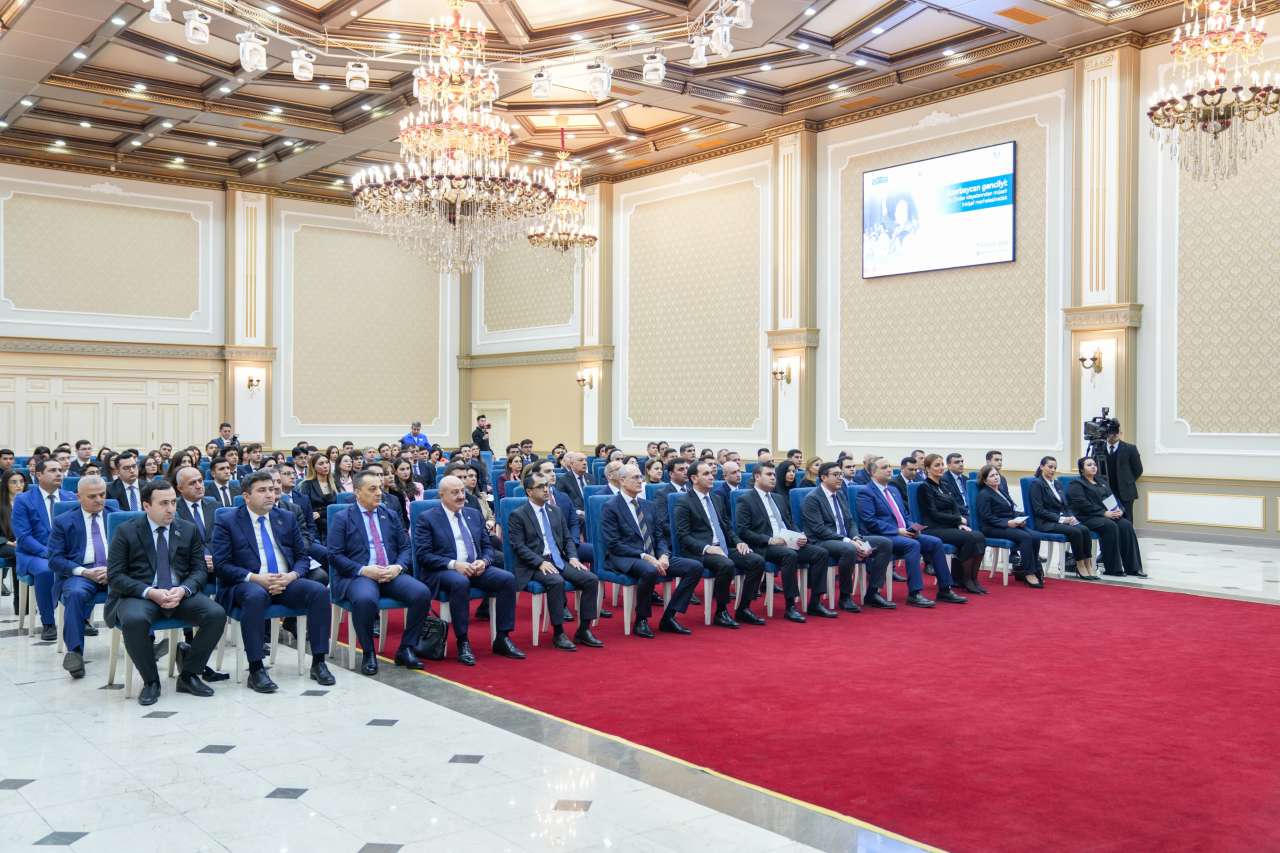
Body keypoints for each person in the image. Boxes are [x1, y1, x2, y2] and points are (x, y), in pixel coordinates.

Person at [209, 471, 335, 692]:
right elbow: (221, 565)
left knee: (319, 592)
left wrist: (291, 576)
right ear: (246, 496)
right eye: (262, 490)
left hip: (285, 581)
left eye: (272, 489)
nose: (270, 495)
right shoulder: (227, 521)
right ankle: (256, 668)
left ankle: (319, 662)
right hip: (245, 584)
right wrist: (256, 578)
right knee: (256, 596)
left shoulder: (285, 517)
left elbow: (302, 557)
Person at [106, 480, 227, 706]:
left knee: (216, 614)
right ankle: (151, 681)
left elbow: (199, 569)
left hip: (178, 593)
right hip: (141, 594)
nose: (171, 509)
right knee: (134, 620)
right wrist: (150, 592)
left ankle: (189, 674)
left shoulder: (187, 529)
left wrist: (183, 589)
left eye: (173, 502)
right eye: (163, 503)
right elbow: (116, 576)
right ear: (146, 506)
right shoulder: (126, 531)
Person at [327, 469, 431, 675]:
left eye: (380, 488)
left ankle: (406, 648)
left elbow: (405, 547)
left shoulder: (389, 515)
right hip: (359, 574)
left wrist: (398, 567)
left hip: (390, 572)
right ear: (357, 492)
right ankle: (368, 652)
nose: (379, 493)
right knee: (365, 600)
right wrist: (363, 570)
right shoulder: (342, 518)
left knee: (421, 593)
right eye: (372, 489)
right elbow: (334, 555)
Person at [414, 475, 523, 666]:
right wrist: (454, 564)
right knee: (460, 582)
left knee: (507, 579)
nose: (461, 496)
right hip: (443, 570)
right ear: (442, 495)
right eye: (454, 492)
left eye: (462, 491)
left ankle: (502, 637)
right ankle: (463, 641)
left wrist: (484, 561)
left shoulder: (473, 514)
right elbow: (423, 556)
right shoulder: (428, 518)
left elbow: (487, 546)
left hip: (475, 567)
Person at [600, 464, 703, 637]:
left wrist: (663, 555)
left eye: (640, 477)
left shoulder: (648, 505)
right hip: (626, 556)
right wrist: (645, 556)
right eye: (635, 477)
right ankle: (641, 619)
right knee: (649, 570)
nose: (640, 481)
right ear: (622, 481)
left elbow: (659, 536)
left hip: (654, 556)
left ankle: (669, 617)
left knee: (695, 567)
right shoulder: (611, 506)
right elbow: (613, 544)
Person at [506, 471, 602, 650]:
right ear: (529, 491)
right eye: (541, 487)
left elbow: (567, 539)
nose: (546, 489)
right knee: (556, 581)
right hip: (534, 564)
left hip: (558, 559)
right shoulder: (518, 515)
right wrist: (539, 562)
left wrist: (573, 557)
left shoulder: (555, 511)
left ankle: (584, 630)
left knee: (591, 579)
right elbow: (518, 546)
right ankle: (559, 633)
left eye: (547, 486)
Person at [856, 457, 967, 607]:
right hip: (882, 535)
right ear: (873, 472)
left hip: (903, 533)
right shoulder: (866, 492)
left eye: (889, 466)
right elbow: (869, 521)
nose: (889, 470)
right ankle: (914, 593)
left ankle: (945, 589)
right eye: (884, 467)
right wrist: (897, 531)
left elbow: (905, 515)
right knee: (912, 545)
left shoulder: (893, 490)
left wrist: (913, 528)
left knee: (935, 542)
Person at [735, 461, 832, 622]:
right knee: (789, 555)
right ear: (757, 476)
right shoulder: (745, 499)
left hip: (787, 542)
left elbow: (789, 523)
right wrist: (770, 540)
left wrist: (799, 535)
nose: (773, 478)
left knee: (820, 553)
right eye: (769, 474)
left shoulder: (778, 498)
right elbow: (743, 531)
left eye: (774, 474)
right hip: (765, 545)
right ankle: (790, 606)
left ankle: (815, 603)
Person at [675, 460, 766, 628]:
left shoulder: (716, 499)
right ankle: (721, 612)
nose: (712, 477)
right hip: (700, 551)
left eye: (712, 473)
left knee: (757, 561)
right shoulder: (684, 501)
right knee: (726, 564)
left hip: (723, 547)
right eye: (706, 474)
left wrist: (739, 542)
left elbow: (727, 528)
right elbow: (683, 536)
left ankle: (744, 608)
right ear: (694, 478)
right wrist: (707, 548)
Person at [801, 461, 894, 614]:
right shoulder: (812, 498)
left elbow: (850, 522)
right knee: (849, 549)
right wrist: (848, 541)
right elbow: (819, 530)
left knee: (884, 543)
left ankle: (873, 593)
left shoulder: (840, 494)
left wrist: (856, 537)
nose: (840, 478)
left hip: (846, 539)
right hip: (822, 541)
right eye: (835, 475)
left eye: (840, 475)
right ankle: (845, 596)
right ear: (823, 477)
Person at [47, 476, 114, 679]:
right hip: (82, 572)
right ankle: (75, 653)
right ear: (78, 497)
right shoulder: (63, 521)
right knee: (75, 594)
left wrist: (113, 570)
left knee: (137, 588)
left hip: (114, 571)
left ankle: (147, 643)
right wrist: (84, 572)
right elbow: (55, 559)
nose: (99, 500)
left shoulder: (116, 516)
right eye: (92, 496)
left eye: (102, 495)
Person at [173, 466, 232, 681]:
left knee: (240, 582)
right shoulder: (173, 508)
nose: (199, 486)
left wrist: (215, 559)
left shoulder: (214, 506)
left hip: (217, 564)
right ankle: (190, 642)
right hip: (189, 569)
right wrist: (201, 560)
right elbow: (175, 545)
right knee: (194, 590)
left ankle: (254, 635)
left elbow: (223, 538)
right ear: (180, 488)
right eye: (192, 483)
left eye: (200, 480)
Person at [12, 458, 77, 640]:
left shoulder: (70, 497)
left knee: (88, 566)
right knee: (46, 570)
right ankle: (48, 623)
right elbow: (24, 537)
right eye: (53, 470)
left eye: (60, 470)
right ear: (39, 475)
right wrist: (49, 553)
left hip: (65, 552)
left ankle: (82, 618)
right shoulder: (24, 500)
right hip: (33, 553)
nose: (59, 473)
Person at [917, 453, 988, 595]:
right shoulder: (924, 487)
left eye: (941, 464)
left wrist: (958, 523)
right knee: (970, 538)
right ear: (927, 469)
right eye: (937, 465)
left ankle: (973, 578)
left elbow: (954, 506)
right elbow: (933, 514)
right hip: (933, 528)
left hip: (949, 526)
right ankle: (964, 579)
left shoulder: (943, 484)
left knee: (980, 536)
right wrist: (957, 520)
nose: (941, 468)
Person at [1069, 457, 1145, 578]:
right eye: (1089, 465)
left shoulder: (1102, 481)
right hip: (1087, 517)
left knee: (1126, 525)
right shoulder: (1076, 484)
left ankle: (1133, 568)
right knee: (1110, 526)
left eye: (1094, 464)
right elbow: (1081, 503)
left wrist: (1119, 510)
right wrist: (1103, 513)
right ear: (1082, 469)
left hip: (1106, 515)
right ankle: (1113, 568)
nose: (1093, 467)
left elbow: (1112, 498)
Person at [976, 464, 1045, 588]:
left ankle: (1030, 568)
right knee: (1025, 537)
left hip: (1009, 523)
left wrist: (1019, 519)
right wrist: (1007, 523)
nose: (996, 477)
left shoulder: (1001, 491)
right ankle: (1029, 573)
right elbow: (987, 517)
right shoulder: (984, 494)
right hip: (992, 527)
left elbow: (1011, 511)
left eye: (997, 474)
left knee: (1035, 536)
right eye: (992, 476)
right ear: (985, 480)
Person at [1028, 456, 1096, 579]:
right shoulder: (1037, 484)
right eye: (1050, 467)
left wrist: (1071, 517)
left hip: (1061, 520)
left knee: (1084, 529)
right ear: (1042, 466)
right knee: (1076, 532)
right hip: (1045, 522)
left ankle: (1088, 564)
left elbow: (1065, 506)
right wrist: (1062, 519)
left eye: (1055, 468)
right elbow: (1039, 510)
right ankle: (1080, 565)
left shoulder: (1057, 483)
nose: (1053, 470)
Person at [1102, 425, 1143, 521]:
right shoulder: (1099, 449)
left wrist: (1127, 480)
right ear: (1106, 433)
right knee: (1109, 518)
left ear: (1120, 433)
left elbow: (1138, 469)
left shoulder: (1130, 448)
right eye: (1111, 431)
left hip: (1126, 490)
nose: (1114, 434)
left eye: (1117, 431)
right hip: (1105, 490)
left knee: (1127, 518)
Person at [297, 452, 338, 540]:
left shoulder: (334, 483)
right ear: (313, 467)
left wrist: (321, 513)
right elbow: (305, 508)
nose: (325, 466)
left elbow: (337, 507)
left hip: (332, 520)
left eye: (327, 462)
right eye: (321, 463)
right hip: (315, 523)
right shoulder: (307, 485)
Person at [0, 468, 26, 601]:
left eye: (21, 481)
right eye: (14, 482)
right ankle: (21, 603)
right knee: (19, 554)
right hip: (3, 543)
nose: (19, 485)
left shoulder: (30, 503)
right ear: (6, 484)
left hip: (23, 542)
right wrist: (10, 543)